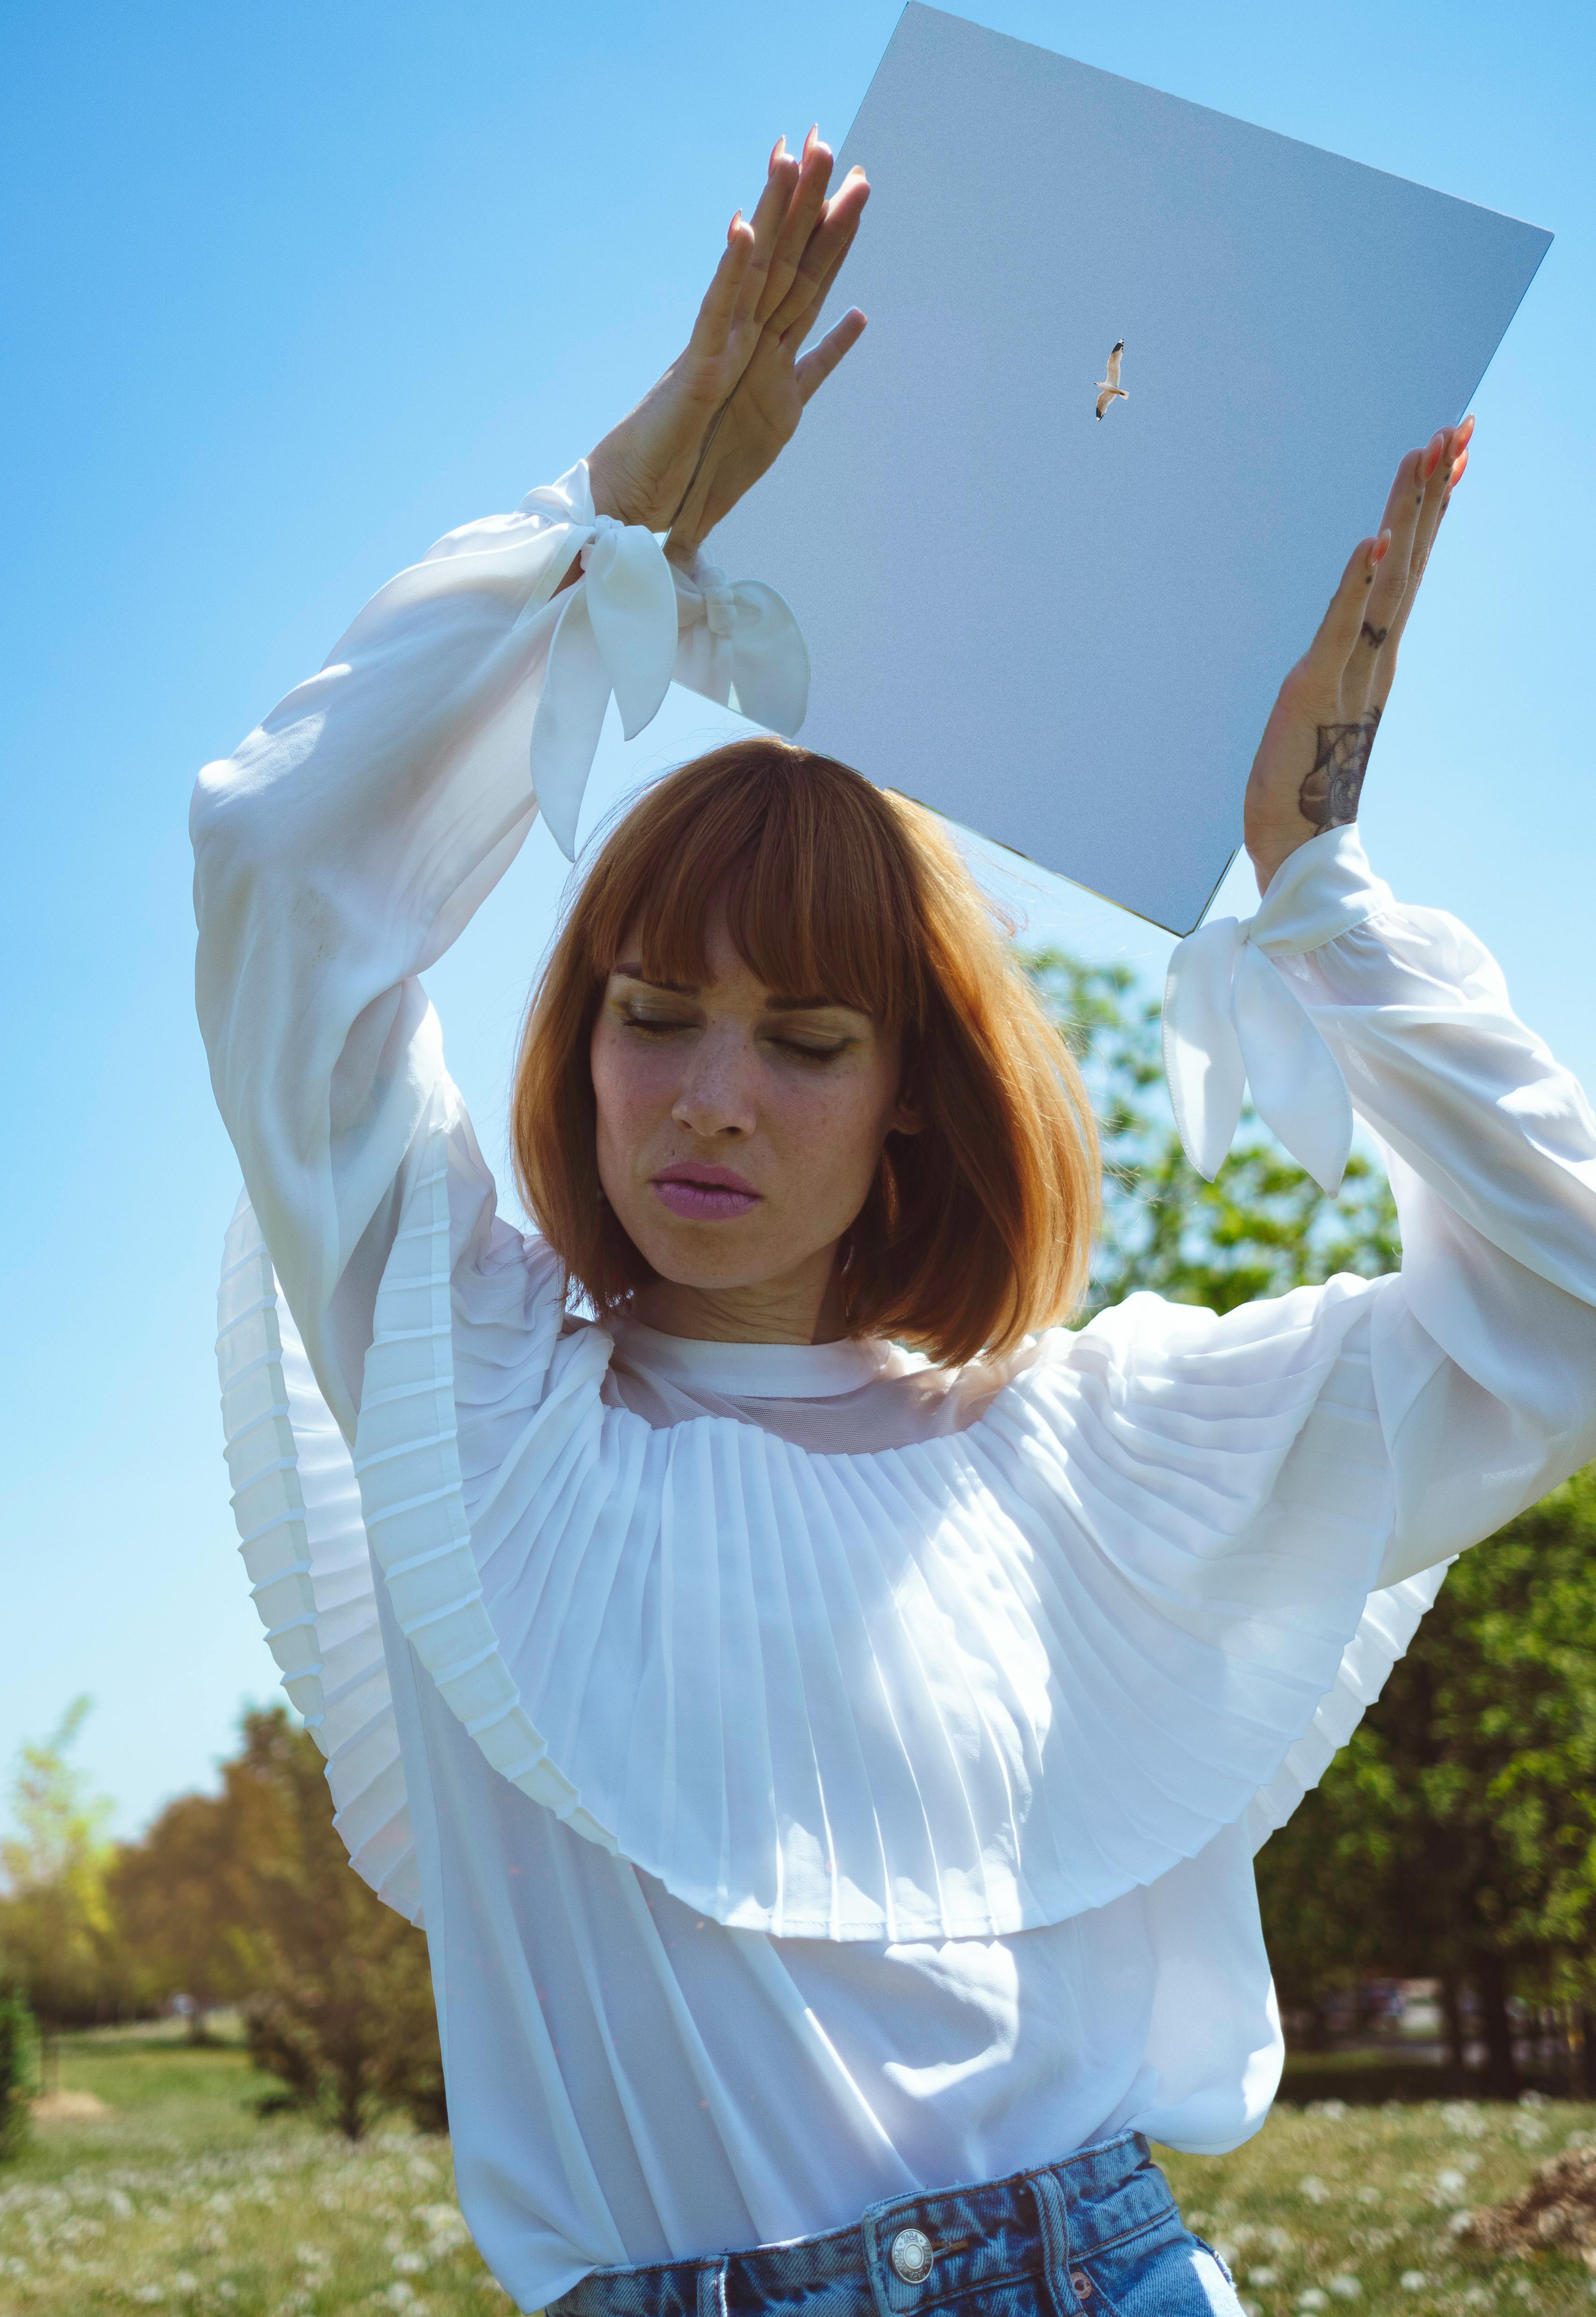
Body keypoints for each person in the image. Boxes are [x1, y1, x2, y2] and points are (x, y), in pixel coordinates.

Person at [193, 133, 1596, 2317]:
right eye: (654, 1016)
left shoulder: (1089, 1446)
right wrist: (612, 529)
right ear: (576, 1048)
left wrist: (1309, 878)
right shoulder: (461, 1371)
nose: (712, 1095)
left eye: (808, 1037)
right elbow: (287, 874)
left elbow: (1559, 1305)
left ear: (918, 1107)